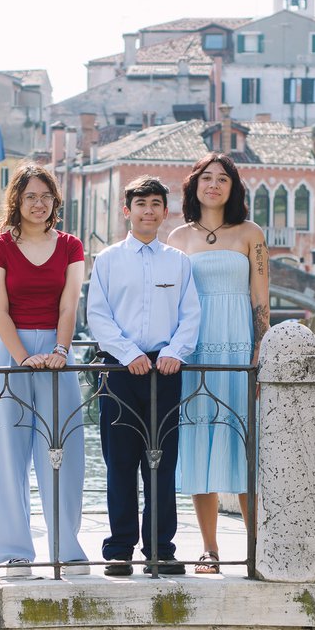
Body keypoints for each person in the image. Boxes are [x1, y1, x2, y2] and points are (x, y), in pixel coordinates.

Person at [89, 176, 202, 578]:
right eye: (141, 204)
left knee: (162, 464)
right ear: (127, 211)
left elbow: (191, 315)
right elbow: (98, 316)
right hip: (119, 370)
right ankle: (119, 549)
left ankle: (161, 549)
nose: (148, 211)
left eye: (156, 204)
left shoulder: (179, 262)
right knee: (119, 462)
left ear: (165, 212)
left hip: (165, 371)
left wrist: (174, 352)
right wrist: (128, 353)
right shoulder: (107, 261)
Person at [0, 161, 89, 578]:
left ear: (55, 200)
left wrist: (61, 350)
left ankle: (68, 547)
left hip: (59, 352)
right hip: (9, 352)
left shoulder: (70, 246)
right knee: (7, 451)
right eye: (31, 196)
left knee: (65, 450)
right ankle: (13, 552)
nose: (39, 203)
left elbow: (69, 304)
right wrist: (23, 356)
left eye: (46, 196)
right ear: (17, 201)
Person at [165, 152, 268, 575]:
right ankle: (209, 549)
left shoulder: (251, 233)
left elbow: (261, 298)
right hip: (194, 352)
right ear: (194, 185)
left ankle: (257, 545)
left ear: (233, 187)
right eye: (206, 177)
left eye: (222, 178)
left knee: (243, 446)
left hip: (238, 348)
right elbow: (169, 303)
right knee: (198, 444)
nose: (214, 185)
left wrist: (260, 354)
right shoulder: (178, 238)